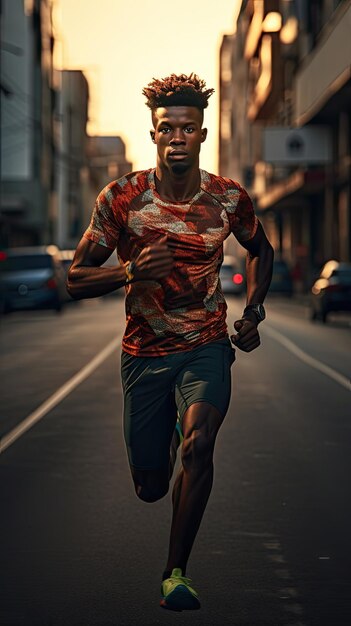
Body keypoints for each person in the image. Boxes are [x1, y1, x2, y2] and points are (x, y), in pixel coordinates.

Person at [67, 73, 274, 612]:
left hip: (206, 343)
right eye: (166, 129)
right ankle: (157, 457)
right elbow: (75, 278)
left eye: (187, 129)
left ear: (202, 134)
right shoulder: (122, 198)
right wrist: (129, 272)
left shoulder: (229, 198)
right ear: (154, 134)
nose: (176, 137)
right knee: (151, 487)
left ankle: (175, 572)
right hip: (143, 354)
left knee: (199, 444)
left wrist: (252, 311)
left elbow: (261, 250)